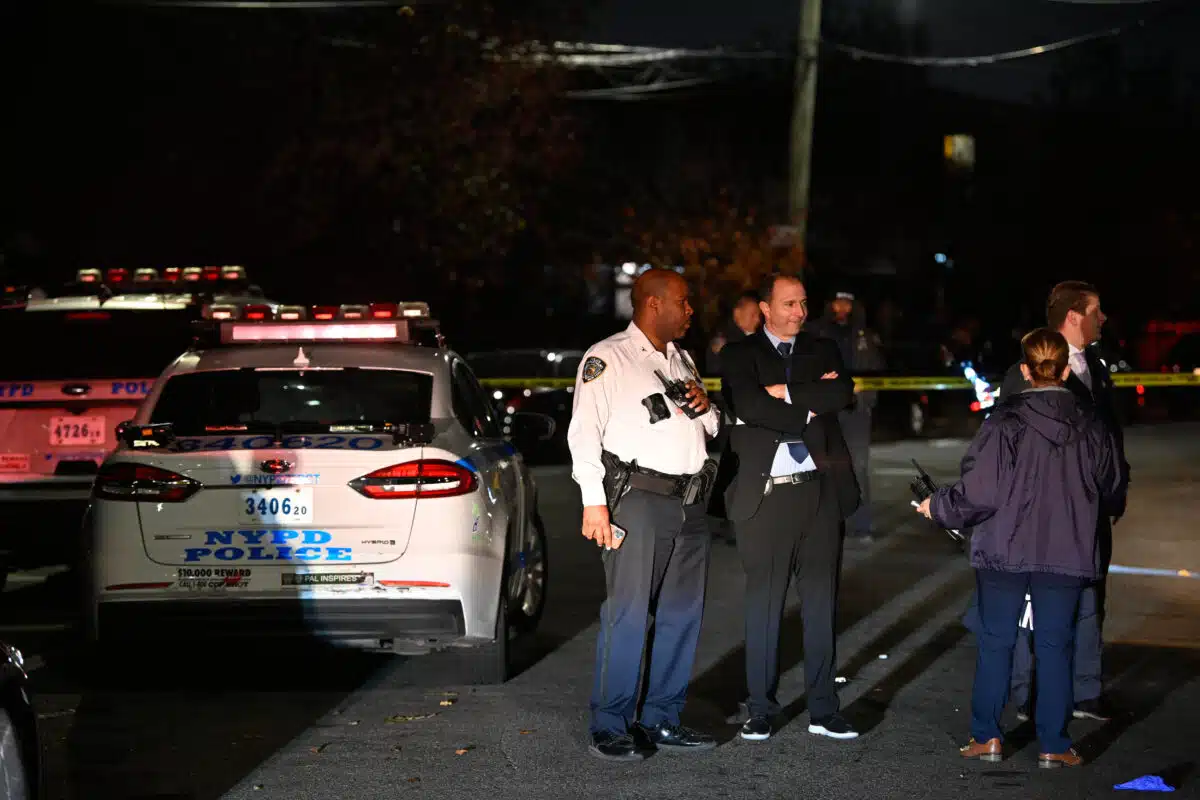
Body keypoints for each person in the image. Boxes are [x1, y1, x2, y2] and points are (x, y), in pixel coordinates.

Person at [917, 328, 1124, 768]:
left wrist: (937, 507)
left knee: (996, 643)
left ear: (1026, 371)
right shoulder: (1092, 423)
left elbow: (979, 492)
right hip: (1066, 550)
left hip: (1004, 549)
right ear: (1066, 371)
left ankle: (987, 737)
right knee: (1055, 645)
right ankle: (1054, 742)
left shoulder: (1004, 422)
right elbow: (1111, 485)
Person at [567, 268, 721, 762]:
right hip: (638, 500)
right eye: (685, 301)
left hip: (691, 501)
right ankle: (610, 723)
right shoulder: (607, 357)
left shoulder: (682, 359)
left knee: (682, 615)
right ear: (654, 304)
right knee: (629, 614)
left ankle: (662, 716)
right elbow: (583, 433)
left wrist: (705, 406)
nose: (691, 310)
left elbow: (712, 426)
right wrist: (594, 501)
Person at [964, 280, 1128, 722]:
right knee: (1034, 609)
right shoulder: (1028, 370)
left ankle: (1084, 691)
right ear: (1074, 316)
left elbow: (1109, 438)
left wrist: (1113, 494)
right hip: (1045, 511)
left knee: (1091, 597)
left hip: (1089, 505)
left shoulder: (1097, 364)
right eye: (1097, 310)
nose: (1103, 318)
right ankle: (1029, 693)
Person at [719, 273, 861, 742]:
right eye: (788, 304)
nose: (799, 313)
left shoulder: (822, 348)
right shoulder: (739, 354)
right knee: (765, 605)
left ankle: (824, 708)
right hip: (766, 494)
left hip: (820, 490)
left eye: (802, 303)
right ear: (764, 307)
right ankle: (760, 708)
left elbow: (840, 394)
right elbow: (747, 405)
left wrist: (781, 392)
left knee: (821, 605)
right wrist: (804, 402)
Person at [807, 289, 886, 542]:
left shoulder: (866, 335)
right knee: (819, 466)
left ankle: (860, 526)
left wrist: (865, 399)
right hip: (824, 409)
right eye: (837, 303)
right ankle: (822, 525)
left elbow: (877, 371)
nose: (842, 309)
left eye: (847, 304)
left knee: (858, 466)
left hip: (856, 412)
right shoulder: (816, 332)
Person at [705, 290, 762, 376]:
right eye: (753, 315)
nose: (757, 319)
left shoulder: (756, 337)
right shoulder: (726, 340)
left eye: (759, 315)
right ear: (737, 313)